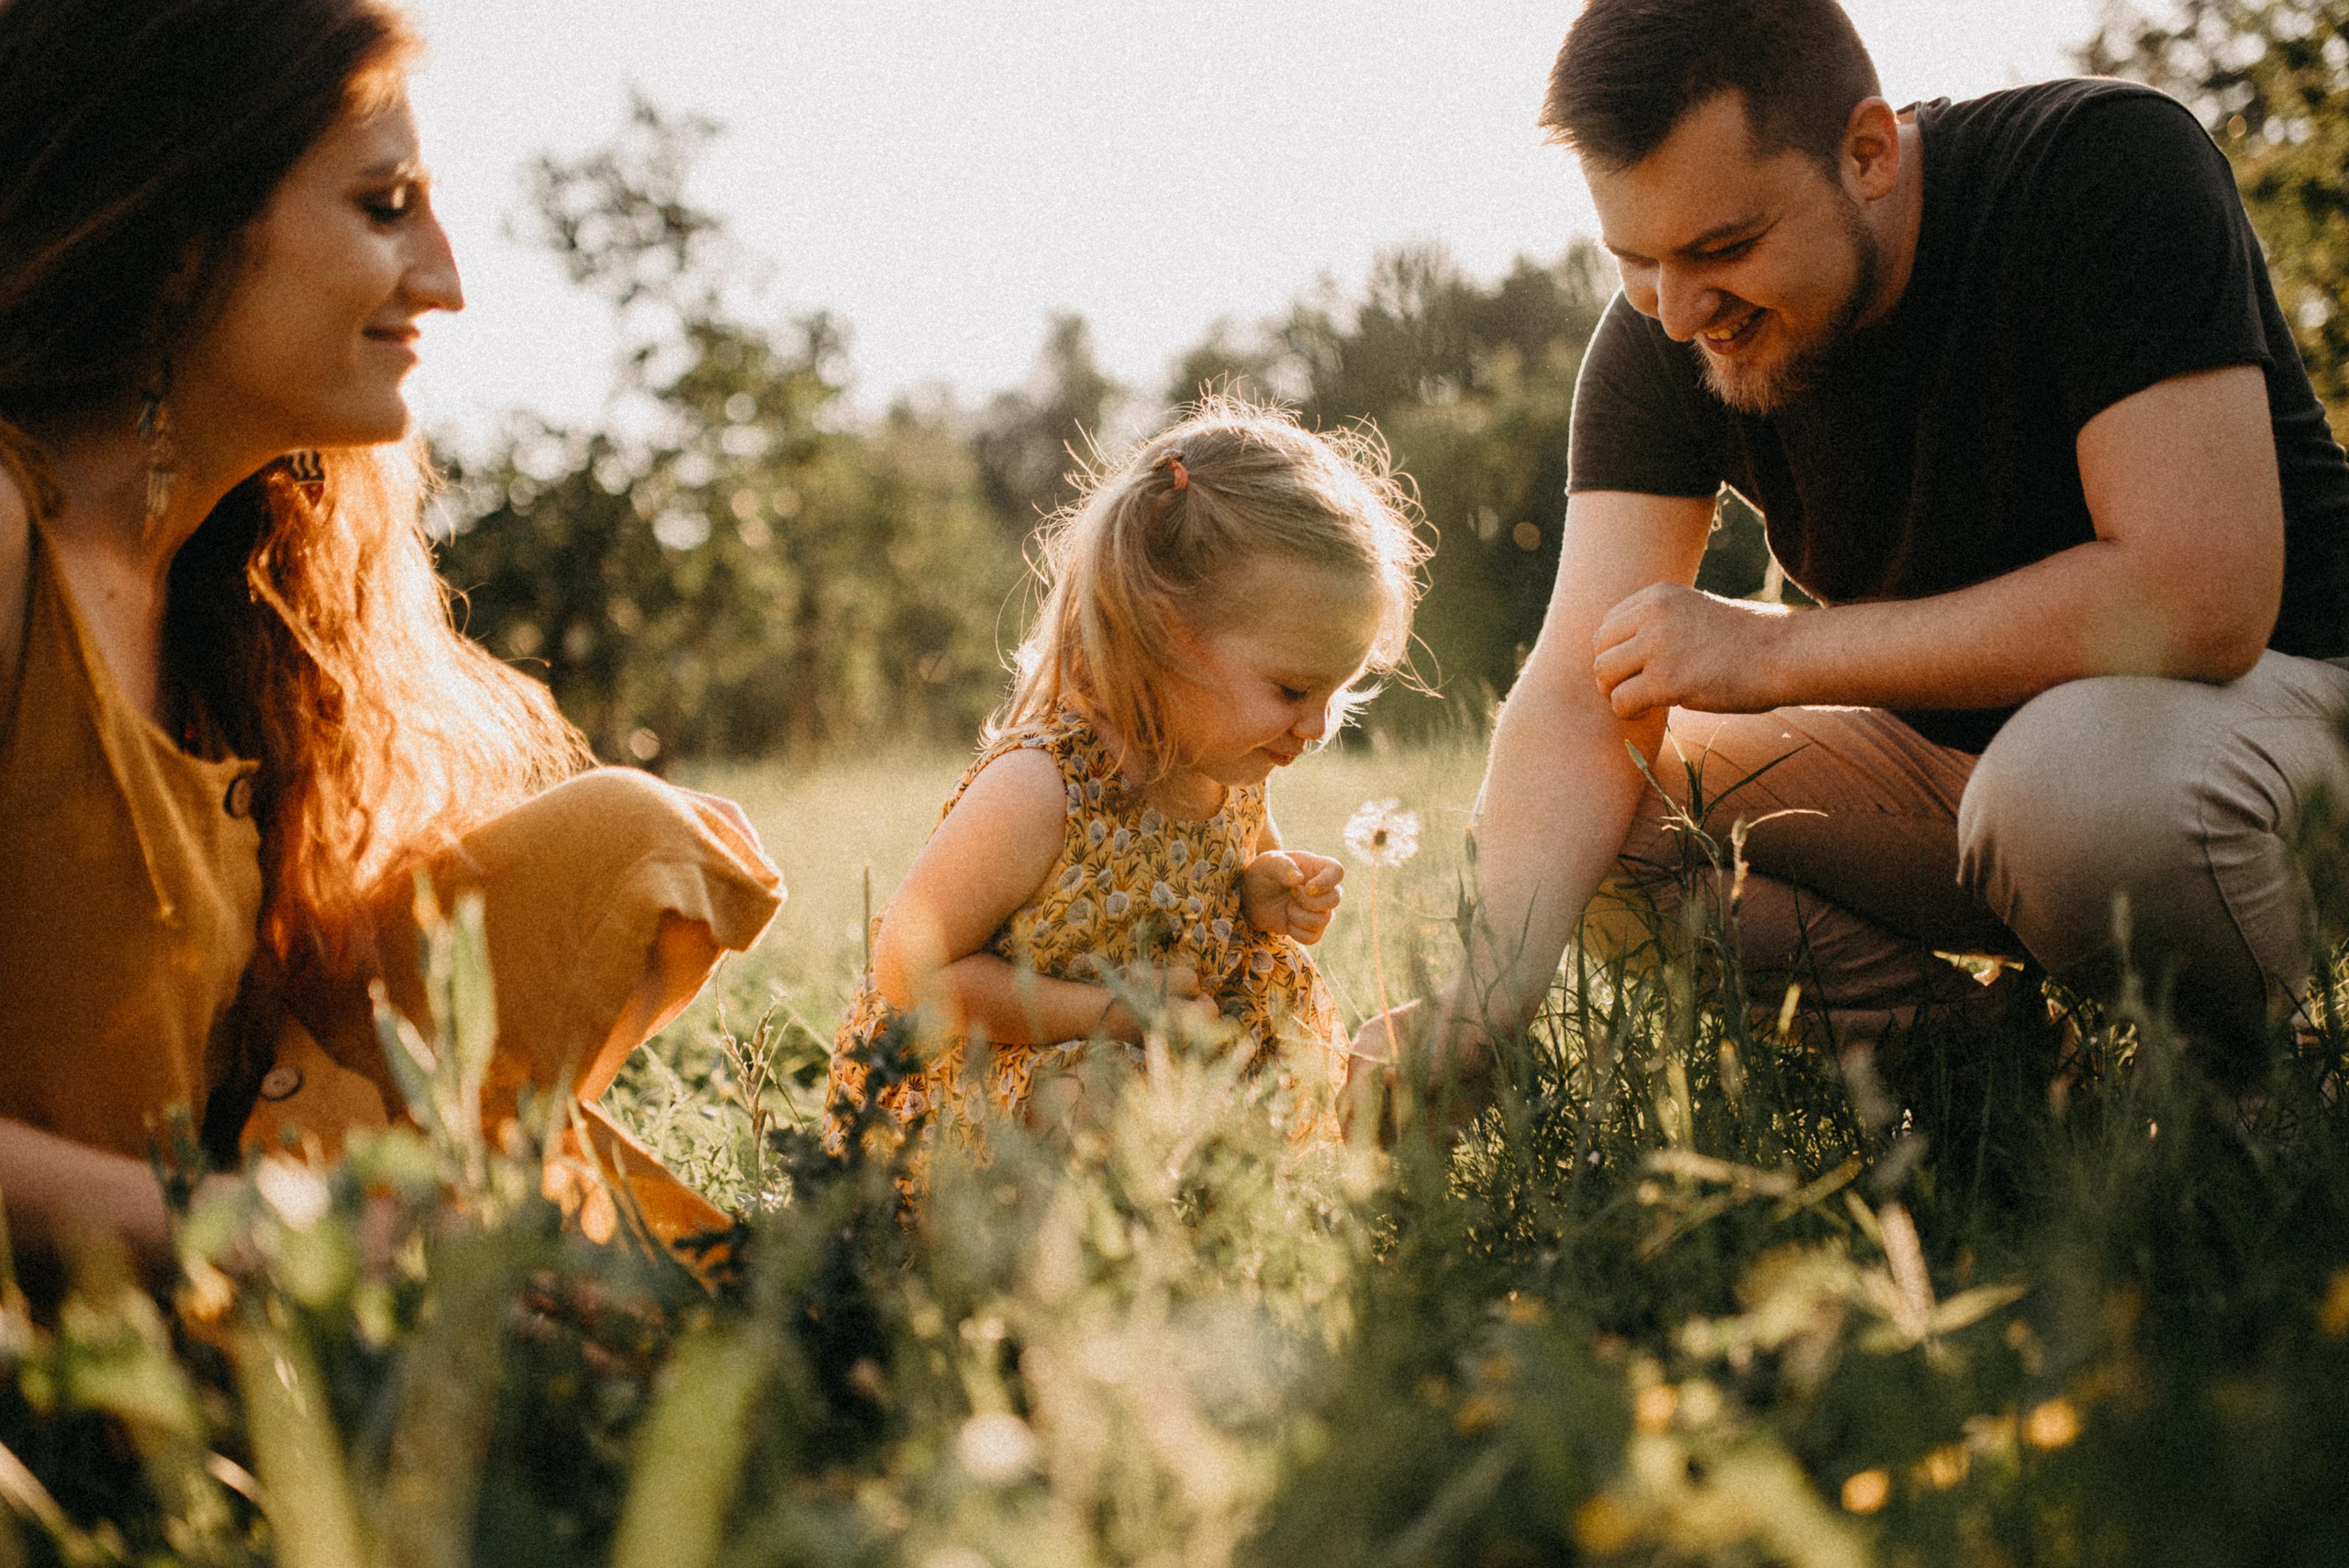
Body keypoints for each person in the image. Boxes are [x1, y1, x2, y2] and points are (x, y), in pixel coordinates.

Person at [1359, 0, 2349, 1091]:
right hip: (1988, 785)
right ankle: (2007, 1088)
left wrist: (1776, 654)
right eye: (1634, 258)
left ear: (1868, 152)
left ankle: (2252, 1096)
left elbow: (2202, 595)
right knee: (1588, 822)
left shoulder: (2097, 166)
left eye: (1722, 247)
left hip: (2280, 731)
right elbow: (1569, 693)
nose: (1680, 312)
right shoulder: (1663, 331)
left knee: (2064, 793)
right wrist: (1486, 995)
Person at [0, 0, 784, 1282]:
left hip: (227, 1241)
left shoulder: (232, 594)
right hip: (86, 1330)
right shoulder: (11, 535)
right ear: (178, 234)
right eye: (384, 207)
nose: (447, 279)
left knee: (631, 838)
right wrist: (255, 1230)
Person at [826, 400, 1427, 1162]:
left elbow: (1224, 881)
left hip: (1154, 1054)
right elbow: (909, 972)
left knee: (1251, 1068)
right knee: (1103, 1095)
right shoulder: (1043, 787)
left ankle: (1224, 1211)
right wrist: (1108, 1011)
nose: (1316, 726)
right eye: (1291, 690)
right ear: (1167, 637)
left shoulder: (1230, 765)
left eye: (1336, 692)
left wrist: (1261, 891)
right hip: (984, 1095)